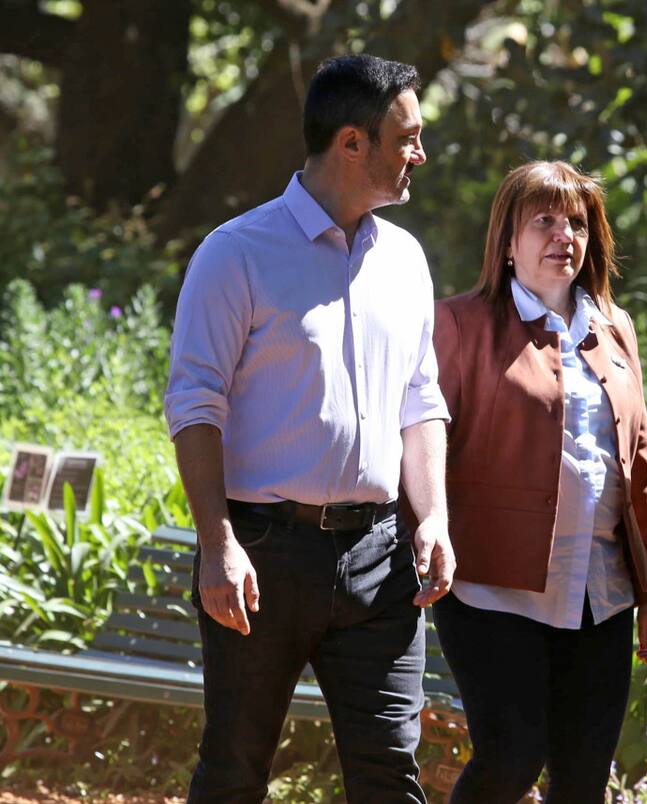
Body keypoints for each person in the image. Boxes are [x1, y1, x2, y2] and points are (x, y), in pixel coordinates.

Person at [164, 54, 454, 804]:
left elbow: (420, 401)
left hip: (381, 559)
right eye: (408, 138)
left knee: (391, 775)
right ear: (352, 143)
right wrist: (218, 543)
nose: (420, 153)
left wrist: (435, 518)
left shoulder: (408, 261)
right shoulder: (236, 254)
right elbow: (195, 404)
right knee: (234, 773)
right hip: (263, 558)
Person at [430, 161, 647, 804]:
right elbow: (423, 444)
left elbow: (639, 460)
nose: (563, 235)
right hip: (491, 588)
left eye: (577, 224)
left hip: (601, 589)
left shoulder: (615, 328)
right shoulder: (459, 324)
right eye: (543, 221)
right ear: (507, 243)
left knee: (583, 779)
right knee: (510, 758)